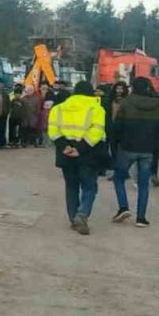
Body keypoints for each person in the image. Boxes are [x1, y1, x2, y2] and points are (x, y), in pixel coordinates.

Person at [48, 80, 107, 235]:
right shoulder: (97, 108)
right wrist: (80, 148)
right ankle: (81, 215)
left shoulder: (58, 108)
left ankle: (73, 216)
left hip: (65, 153)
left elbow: (53, 130)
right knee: (89, 186)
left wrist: (65, 146)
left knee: (71, 186)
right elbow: (97, 131)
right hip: (88, 153)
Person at [109, 77, 159, 227]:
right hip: (148, 149)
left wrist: (114, 147)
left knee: (119, 178)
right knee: (143, 184)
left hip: (127, 147)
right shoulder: (158, 104)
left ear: (133, 87)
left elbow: (117, 127)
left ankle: (123, 207)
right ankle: (141, 218)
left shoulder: (127, 103)